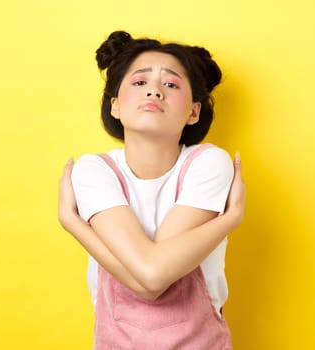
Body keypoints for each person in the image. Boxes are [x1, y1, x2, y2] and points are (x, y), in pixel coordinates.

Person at [57, 30, 245, 349]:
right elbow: (151, 277)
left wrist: (74, 223)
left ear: (194, 112)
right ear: (115, 105)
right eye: (140, 82)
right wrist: (231, 217)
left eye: (171, 85)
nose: (154, 91)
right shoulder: (95, 170)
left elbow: (154, 278)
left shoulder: (209, 163)